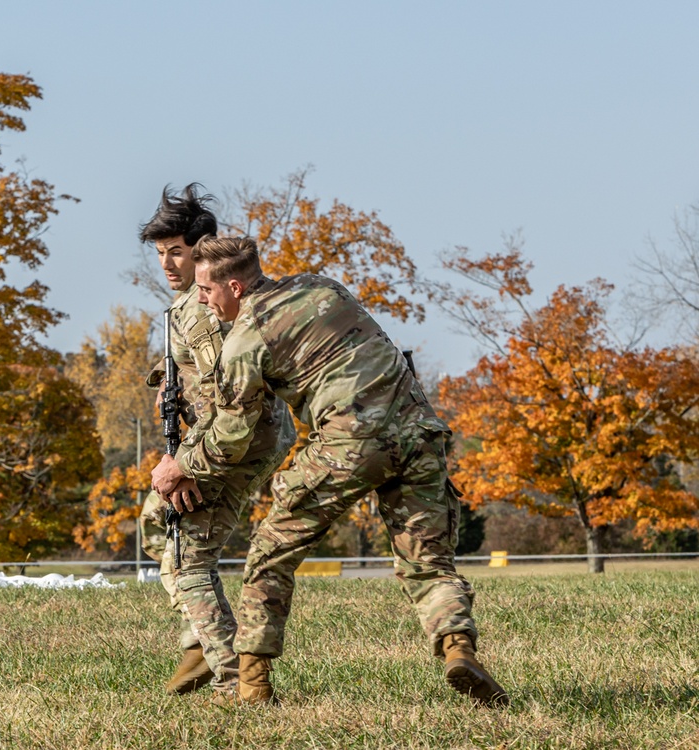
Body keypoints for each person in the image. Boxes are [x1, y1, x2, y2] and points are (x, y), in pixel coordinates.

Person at [151, 235, 509, 707]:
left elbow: (232, 436)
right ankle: (458, 649)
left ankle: (251, 686)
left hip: (350, 442)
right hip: (419, 430)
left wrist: (181, 465)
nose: (199, 299)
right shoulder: (321, 287)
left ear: (234, 287)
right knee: (428, 563)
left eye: (205, 289)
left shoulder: (243, 339)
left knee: (270, 553)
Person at [137, 187, 295, 698]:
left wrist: (184, 462)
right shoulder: (187, 304)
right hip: (233, 436)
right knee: (156, 526)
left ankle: (233, 678)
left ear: (201, 247)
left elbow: (223, 395)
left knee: (186, 556)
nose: (167, 263)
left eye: (176, 251)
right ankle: (199, 645)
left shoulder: (200, 309)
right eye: (160, 253)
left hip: (233, 439)